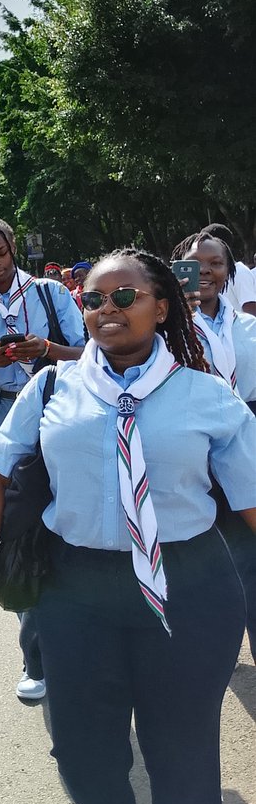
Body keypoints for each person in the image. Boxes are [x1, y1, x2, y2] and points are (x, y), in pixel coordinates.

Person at [0, 248, 256, 804]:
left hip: (189, 585)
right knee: (82, 754)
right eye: (93, 300)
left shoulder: (208, 397)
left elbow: (251, 499)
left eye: (124, 297)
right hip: (77, 590)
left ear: (161, 306)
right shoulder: (52, 388)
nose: (106, 310)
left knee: (183, 761)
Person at [0, 217, 85, 700]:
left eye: (0, 254)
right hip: (0, 417)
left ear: (12, 248)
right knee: (16, 535)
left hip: (60, 411)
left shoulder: (50, 292)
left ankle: (81, 637)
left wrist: (46, 349)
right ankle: (36, 659)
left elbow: (92, 354)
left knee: (66, 525)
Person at [175, 227, 256, 661]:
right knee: (202, 558)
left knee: (250, 558)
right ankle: (206, 655)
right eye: (195, 264)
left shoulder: (249, 327)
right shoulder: (163, 326)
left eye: (215, 264)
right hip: (192, 453)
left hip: (246, 448)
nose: (204, 272)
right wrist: (173, 322)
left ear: (229, 272)